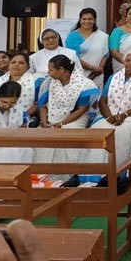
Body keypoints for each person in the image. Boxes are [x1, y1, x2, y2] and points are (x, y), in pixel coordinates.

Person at [35, 54, 100, 183]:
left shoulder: (84, 84)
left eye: (51, 70)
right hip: (52, 118)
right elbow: (43, 106)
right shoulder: (49, 82)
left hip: (76, 117)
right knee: (41, 136)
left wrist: (62, 123)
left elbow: (82, 109)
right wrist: (44, 122)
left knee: (66, 136)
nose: (48, 73)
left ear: (61, 70)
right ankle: (42, 176)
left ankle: (67, 177)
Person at [84, 51, 131, 179]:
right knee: (98, 131)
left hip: (129, 116)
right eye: (128, 60)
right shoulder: (113, 77)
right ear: (123, 62)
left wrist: (124, 115)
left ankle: (117, 173)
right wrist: (108, 117)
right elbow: (103, 100)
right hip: (109, 113)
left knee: (122, 133)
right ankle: (94, 173)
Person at [0, 81, 34, 163]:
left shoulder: (17, 109)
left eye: (12, 103)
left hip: (10, 141)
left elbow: (20, 127)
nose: (7, 106)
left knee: (26, 150)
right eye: (4, 102)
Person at [65, 7, 109, 90]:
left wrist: (99, 69)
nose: (87, 21)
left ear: (94, 20)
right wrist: (92, 68)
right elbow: (73, 57)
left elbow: (106, 54)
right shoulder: (73, 36)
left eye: (90, 19)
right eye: (84, 19)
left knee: (95, 95)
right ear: (80, 20)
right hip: (79, 74)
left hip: (98, 74)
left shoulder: (102, 36)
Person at [0, 52, 37, 122]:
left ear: (28, 66)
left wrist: (24, 116)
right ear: (9, 65)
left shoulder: (36, 80)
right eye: (13, 62)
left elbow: (39, 103)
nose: (16, 65)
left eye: (21, 63)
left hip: (26, 120)